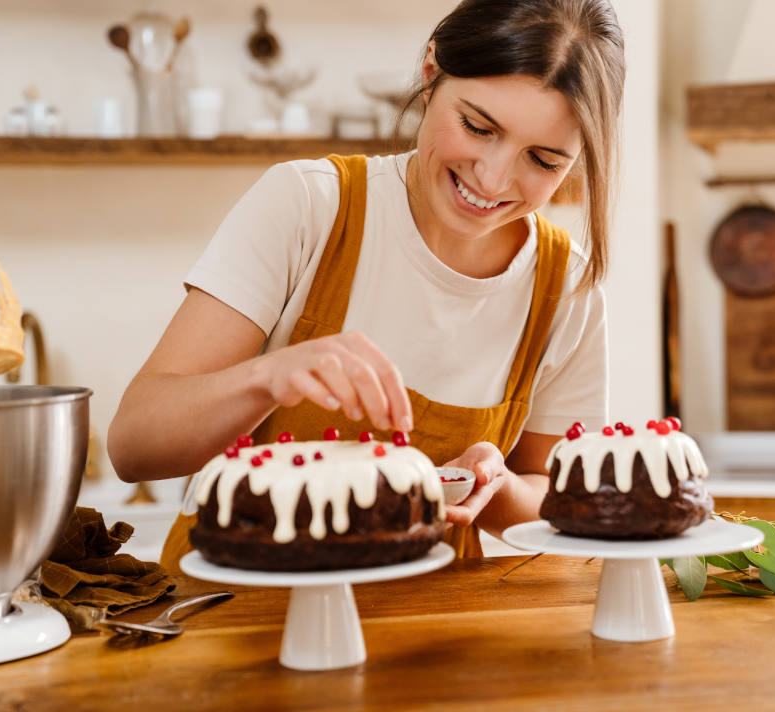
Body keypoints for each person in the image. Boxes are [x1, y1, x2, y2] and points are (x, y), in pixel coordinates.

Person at [107, 0, 626, 568]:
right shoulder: (310, 206)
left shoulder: (566, 285)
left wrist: (496, 486)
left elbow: (559, 498)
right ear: (431, 75)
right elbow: (133, 445)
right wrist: (266, 378)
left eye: (545, 161)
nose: (494, 177)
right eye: (478, 127)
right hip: (236, 617)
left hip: (432, 634)